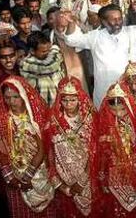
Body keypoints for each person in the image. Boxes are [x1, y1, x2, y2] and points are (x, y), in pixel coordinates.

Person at [63, 3, 136, 108]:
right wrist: (71, 23)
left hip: (130, 87)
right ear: (104, 21)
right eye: (113, 19)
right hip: (105, 89)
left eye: (119, 18)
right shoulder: (95, 37)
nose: (118, 22)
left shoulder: (131, 32)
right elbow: (73, 40)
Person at [0, 76, 55, 217]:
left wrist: (27, 177)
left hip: (39, 174)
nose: (11, 102)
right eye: (7, 98)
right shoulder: (0, 119)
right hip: (14, 176)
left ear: (24, 95)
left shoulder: (35, 117)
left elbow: (43, 149)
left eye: (15, 97)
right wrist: (9, 176)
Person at [46, 77, 96, 217]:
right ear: (60, 100)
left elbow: (95, 150)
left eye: (73, 100)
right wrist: (58, 182)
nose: (68, 104)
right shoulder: (53, 120)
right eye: (65, 100)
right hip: (65, 177)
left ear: (79, 99)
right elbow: (50, 152)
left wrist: (82, 180)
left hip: (88, 175)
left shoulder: (89, 118)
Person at [93, 83, 136, 217]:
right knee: (116, 208)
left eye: (122, 109)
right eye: (114, 110)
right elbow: (102, 152)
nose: (119, 114)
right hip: (114, 172)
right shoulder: (106, 123)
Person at [19, 31, 66, 105]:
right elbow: (49, 67)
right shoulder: (26, 63)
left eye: (49, 49)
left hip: (60, 102)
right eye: (44, 51)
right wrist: (55, 50)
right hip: (42, 106)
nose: (48, 53)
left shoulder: (52, 57)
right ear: (32, 51)